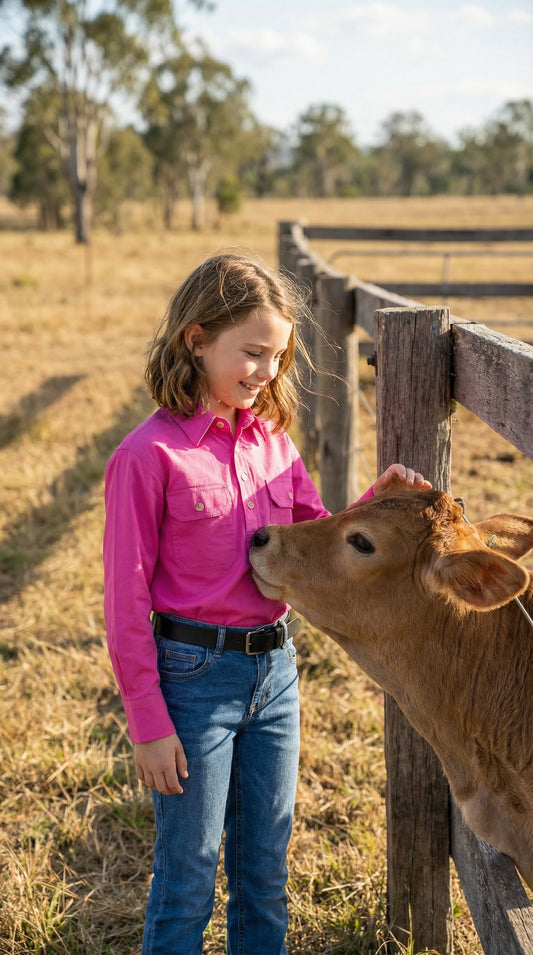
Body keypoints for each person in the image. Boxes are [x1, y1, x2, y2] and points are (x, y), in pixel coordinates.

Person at [103, 251, 431, 955]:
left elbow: (317, 534)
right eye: (251, 353)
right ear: (196, 339)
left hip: (276, 678)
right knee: (187, 874)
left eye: (277, 357)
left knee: (265, 871)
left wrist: (378, 501)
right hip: (192, 681)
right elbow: (124, 597)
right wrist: (147, 721)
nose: (266, 372)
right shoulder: (147, 455)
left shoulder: (274, 442)